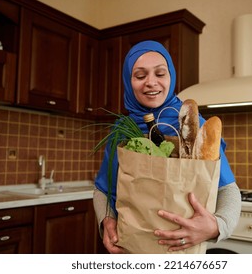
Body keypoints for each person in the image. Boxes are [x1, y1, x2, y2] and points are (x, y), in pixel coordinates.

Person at [93, 40, 241, 254]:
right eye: (140, 75)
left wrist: (217, 226)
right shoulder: (122, 130)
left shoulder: (193, 125)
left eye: (160, 74)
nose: (151, 82)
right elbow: (102, 189)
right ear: (128, 81)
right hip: (130, 250)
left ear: (171, 77)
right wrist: (106, 221)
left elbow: (228, 190)